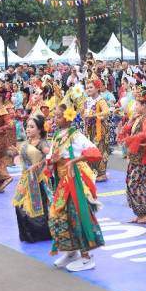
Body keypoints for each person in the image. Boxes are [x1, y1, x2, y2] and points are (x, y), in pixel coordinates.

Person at [47, 103, 104, 272]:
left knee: (76, 214)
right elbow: (51, 158)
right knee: (60, 215)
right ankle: (71, 251)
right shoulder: (57, 135)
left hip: (74, 180)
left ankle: (86, 257)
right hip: (62, 181)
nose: (55, 119)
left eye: (58, 116)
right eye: (54, 116)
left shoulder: (76, 136)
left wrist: (75, 161)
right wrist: (51, 161)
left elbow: (94, 153)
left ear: (68, 117)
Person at [119, 89, 146, 225]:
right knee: (131, 183)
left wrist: (131, 138)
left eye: (137, 104)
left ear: (145, 106)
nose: (135, 106)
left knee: (135, 184)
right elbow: (125, 130)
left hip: (143, 156)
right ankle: (142, 212)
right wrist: (130, 122)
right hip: (135, 156)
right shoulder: (139, 118)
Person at [11, 114, 52, 243]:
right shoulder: (27, 142)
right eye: (27, 126)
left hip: (38, 180)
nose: (28, 129)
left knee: (37, 207)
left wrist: (38, 165)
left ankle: (40, 234)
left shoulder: (42, 144)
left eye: (32, 127)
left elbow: (51, 156)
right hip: (26, 178)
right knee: (20, 205)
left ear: (39, 129)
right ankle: (27, 234)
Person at [83, 79, 111, 182]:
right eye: (87, 87)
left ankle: (102, 173)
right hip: (90, 129)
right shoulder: (87, 101)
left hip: (100, 129)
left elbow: (106, 112)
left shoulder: (101, 100)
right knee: (91, 149)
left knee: (101, 150)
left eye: (91, 87)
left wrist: (93, 115)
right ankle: (93, 171)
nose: (88, 89)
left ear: (97, 88)